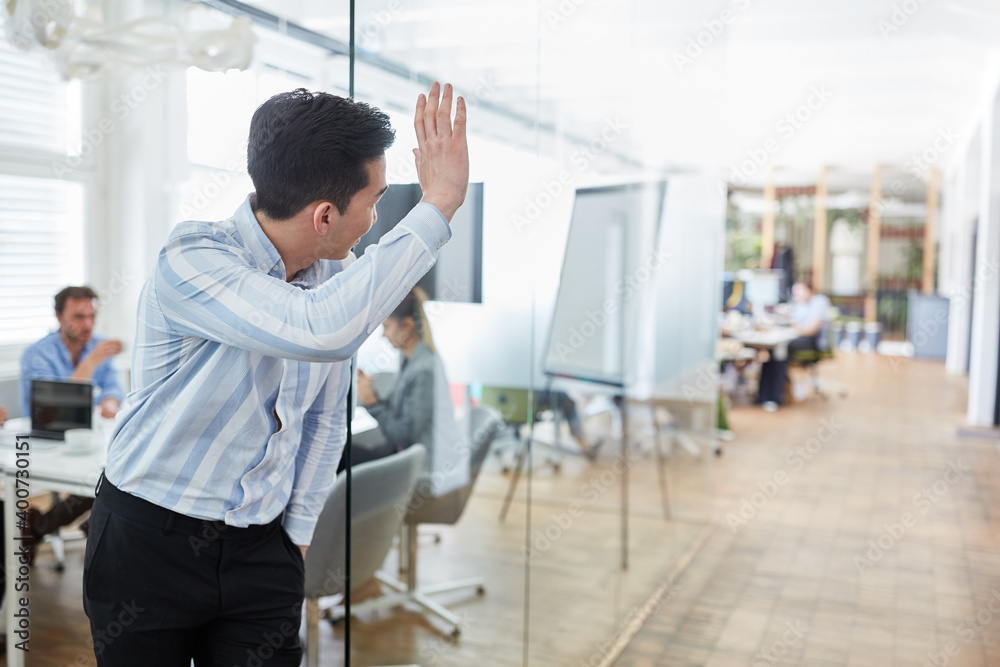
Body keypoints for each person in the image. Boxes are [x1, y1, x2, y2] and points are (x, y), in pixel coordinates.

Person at [83, 82, 468, 666]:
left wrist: (297, 536)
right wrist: (436, 206)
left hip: (265, 549)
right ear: (325, 214)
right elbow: (318, 329)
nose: (374, 219)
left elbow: (321, 421)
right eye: (376, 201)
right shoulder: (192, 258)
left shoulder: (330, 280)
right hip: (148, 543)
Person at [19, 286, 124, 560]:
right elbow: (57, 407)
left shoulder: (97, 346)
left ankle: (42, 527)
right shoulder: (37, 355)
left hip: (89, 440)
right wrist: (92, 361)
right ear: (58, 316)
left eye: (91, 316)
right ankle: (98, 526)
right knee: (102, 482)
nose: (87, 324)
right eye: (78, 316)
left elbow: (114, 387)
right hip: (49, 443)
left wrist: (110, 402)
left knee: (114, 474)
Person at [350, 286, 466, 495]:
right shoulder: (410, 359)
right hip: (406, 456)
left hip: (423, 468)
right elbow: (399, 415)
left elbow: (405, 436)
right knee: (344, 451)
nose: (383, 335)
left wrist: (372, 403)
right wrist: (371, 395)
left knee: (342, 455)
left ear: (407, 326)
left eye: (386, 326)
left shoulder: (424, 369)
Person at [757, 281, 832, 411]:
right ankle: (762, 396)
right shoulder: (801, 305)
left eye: (798, 291)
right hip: (799, 338)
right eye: (794, 292)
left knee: (779, 352)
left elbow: (811, 330)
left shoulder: (819, 302)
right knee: (772, 352)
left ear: (809, 290)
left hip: (812, 343)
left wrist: (795, 328)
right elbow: (796, 324)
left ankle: (775, 398)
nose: (795, 294)